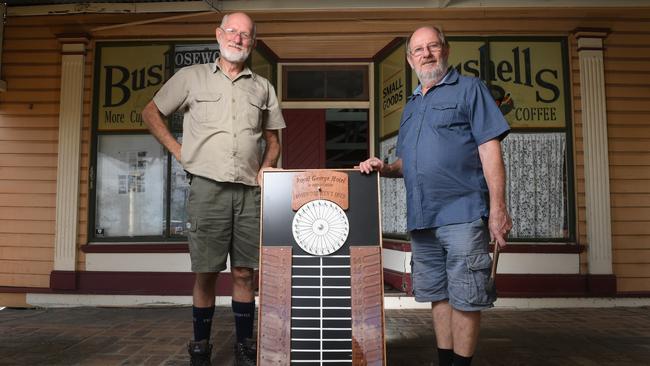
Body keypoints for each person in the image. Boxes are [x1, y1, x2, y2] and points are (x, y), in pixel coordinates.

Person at [359, 25, 512, 366]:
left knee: (467, 296)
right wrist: (384, 167)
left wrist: (498, 209)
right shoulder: (412, 105)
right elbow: (409, 162)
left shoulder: (471, 90)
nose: (425, 54)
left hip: (463, 212)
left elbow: (490, 153)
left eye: (432, 47)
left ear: (446, 50)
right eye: (418, 50)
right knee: (438, 295)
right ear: (410, 59)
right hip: (422, 218)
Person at [142, 12, 285, 366]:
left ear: (253, 42)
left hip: (249, 193)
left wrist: (265, 171)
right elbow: (150, 113)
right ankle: (201, 345)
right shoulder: (191, 78)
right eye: (233, 32)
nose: (238, 39)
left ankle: (243, 343)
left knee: (244, 273)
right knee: (206, 272)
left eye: (246, 35)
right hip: (207, 190)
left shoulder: (262, 87)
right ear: (219, 34)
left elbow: (273, 140)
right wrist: (180, 152)